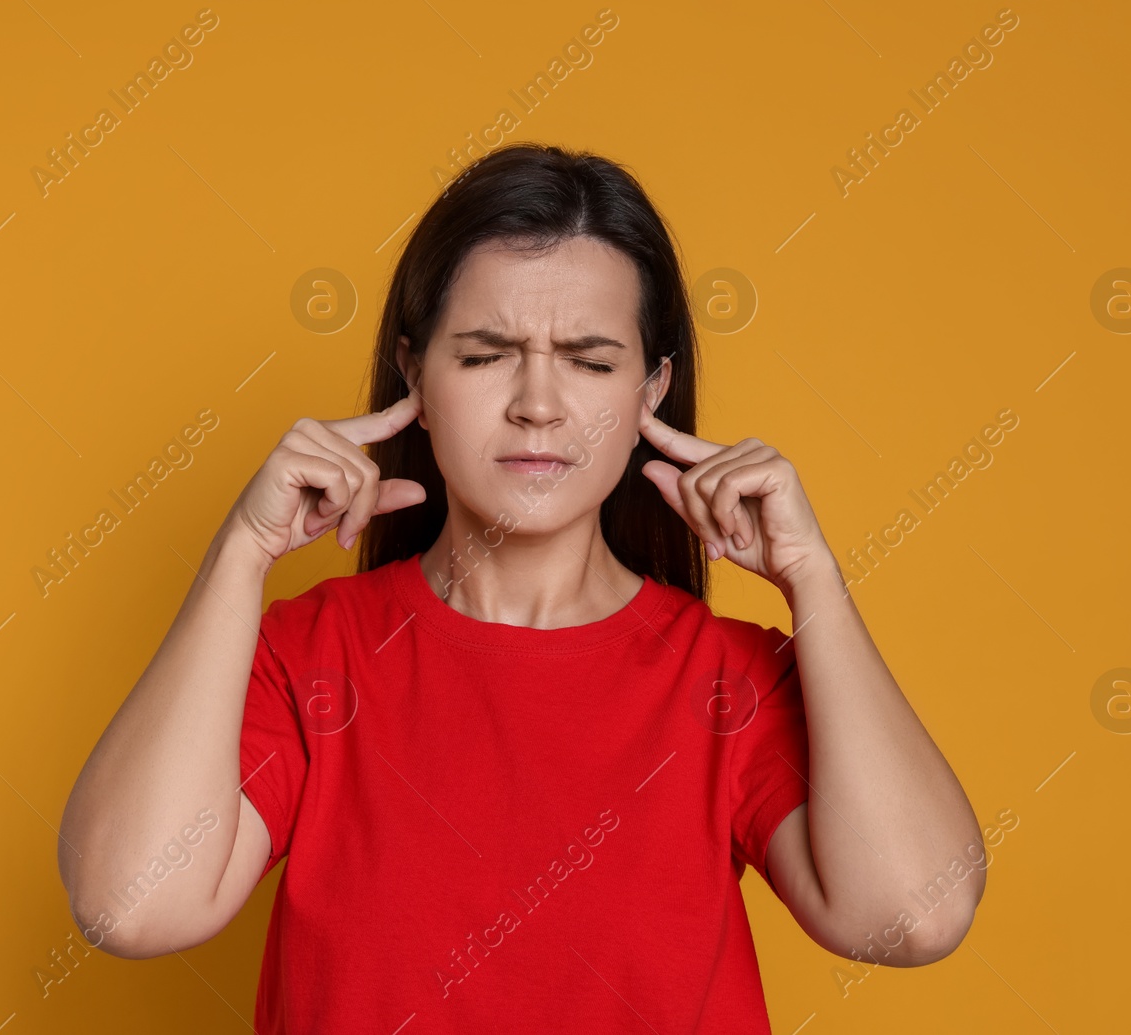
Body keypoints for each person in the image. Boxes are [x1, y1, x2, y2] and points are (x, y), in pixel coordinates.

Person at [58, 143, 985, 1032]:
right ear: (415, 370)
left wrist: (812, 578)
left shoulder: (729, 680)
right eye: (485, 353)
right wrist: (241, 551)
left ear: (650, 392)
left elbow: (913, 917)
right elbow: (130, 905)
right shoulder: (312, 656)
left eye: (589, 361)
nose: (538, 403)